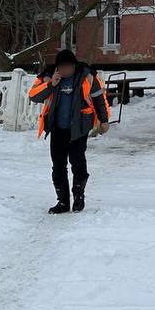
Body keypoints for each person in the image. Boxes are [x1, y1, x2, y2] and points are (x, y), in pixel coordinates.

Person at [28, 48, 111, 214]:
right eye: (63, 67)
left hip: (79, 129)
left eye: (69, 67)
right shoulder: (48, 76)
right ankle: (63, 201)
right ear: (57, 68)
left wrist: (104, 120)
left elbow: (99, 99)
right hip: (57, 129)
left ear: (74, 65)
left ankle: (79, 197)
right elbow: (33, 96)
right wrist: (51, 84)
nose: (66, 70)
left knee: (78, 163)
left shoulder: (87, 76)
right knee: (58, 166)